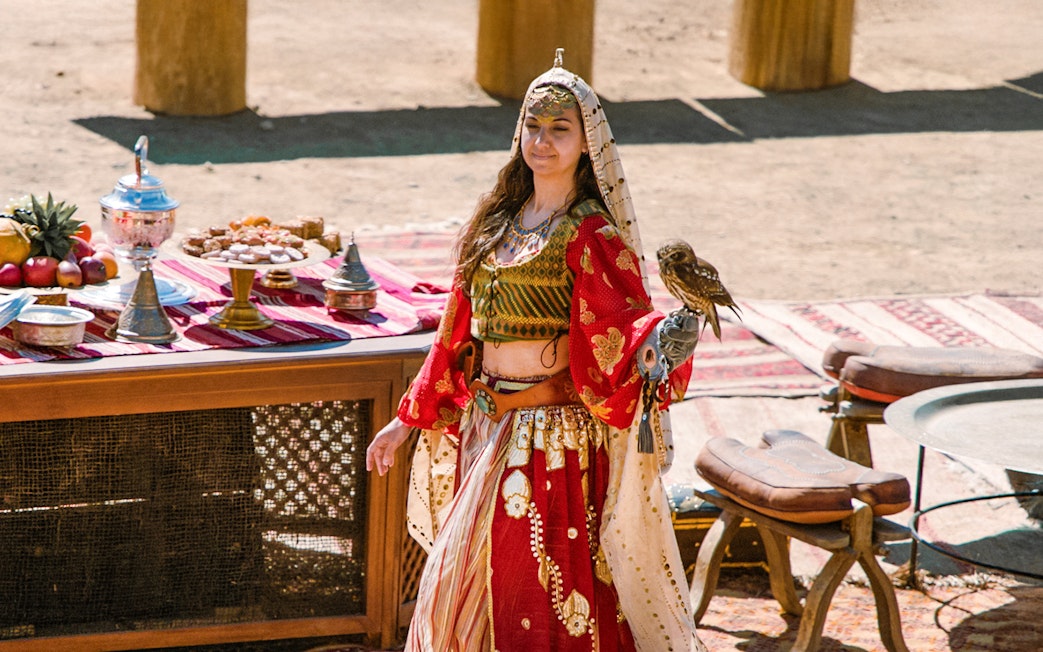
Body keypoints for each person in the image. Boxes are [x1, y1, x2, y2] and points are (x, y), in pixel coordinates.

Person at [366, 50, 707, 652]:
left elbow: (622, 331)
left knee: (532, 589)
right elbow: (455, 332)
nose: (542, 141)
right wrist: (406, 420)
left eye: (560, 129)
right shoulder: (497, 221)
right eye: (533, 125)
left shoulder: (591, 234)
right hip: (484, 425)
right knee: (466, 584)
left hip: (550, 438)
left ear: (587, 142)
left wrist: (661, 342)